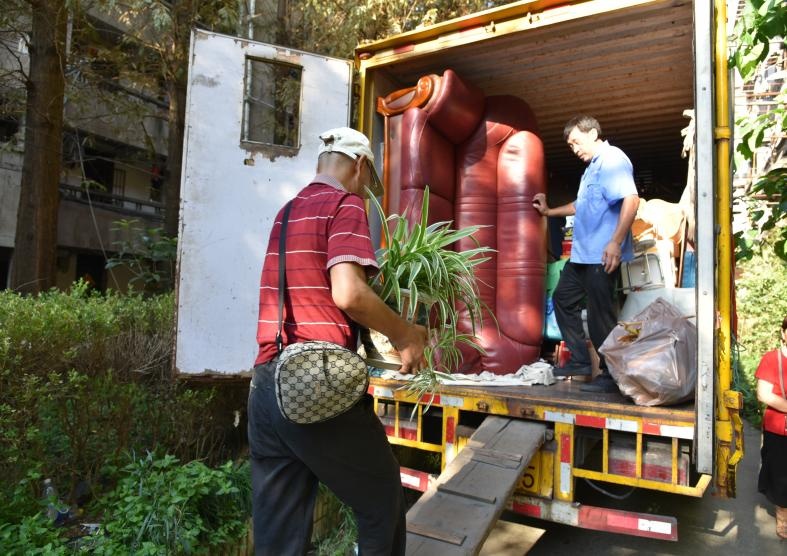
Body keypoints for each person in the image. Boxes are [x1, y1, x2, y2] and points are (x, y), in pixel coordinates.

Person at [247, 126, 428, 556]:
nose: (367, 193)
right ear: (361, 166)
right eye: (368, 184)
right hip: (315, 384)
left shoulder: (286, 212)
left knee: (279, 535)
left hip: (266, 385)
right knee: (382, 502)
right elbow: (349, 294)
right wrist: (405, 333)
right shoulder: (345, 205)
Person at [532, 115, 639, 393]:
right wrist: (548, 212)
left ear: (592, 134)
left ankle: (611, 375)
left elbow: (631, 198)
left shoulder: (613, 159)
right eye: (570, 145)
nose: (574, 148)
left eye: (577, 142)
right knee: (563, 300)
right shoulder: (591, 169)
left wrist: (615, 242)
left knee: (599, 315)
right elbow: (580, 206)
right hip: (582, 256)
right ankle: (580, 361)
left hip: (602, 255)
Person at [756, 316, 787, 540]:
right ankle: (783, 517)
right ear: (784, 333)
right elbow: (763, 394)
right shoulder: (771, 359)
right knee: (781, 475)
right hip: (779, 429)